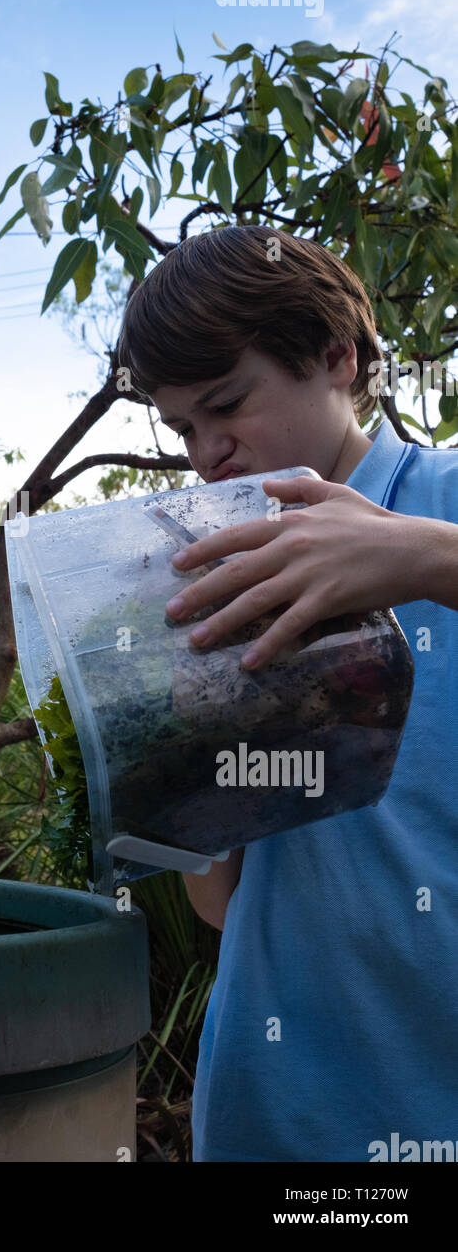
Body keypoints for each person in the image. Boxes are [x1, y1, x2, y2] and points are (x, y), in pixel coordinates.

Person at [115, 224, 458, 1162]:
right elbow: (224, 905)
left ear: (335, 355)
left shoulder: (444, 501)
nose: (207, 454)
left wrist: (422, 555)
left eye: (227, 405)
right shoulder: (214, 574)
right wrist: (175, 743)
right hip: (276, 1112)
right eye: (182, 427)